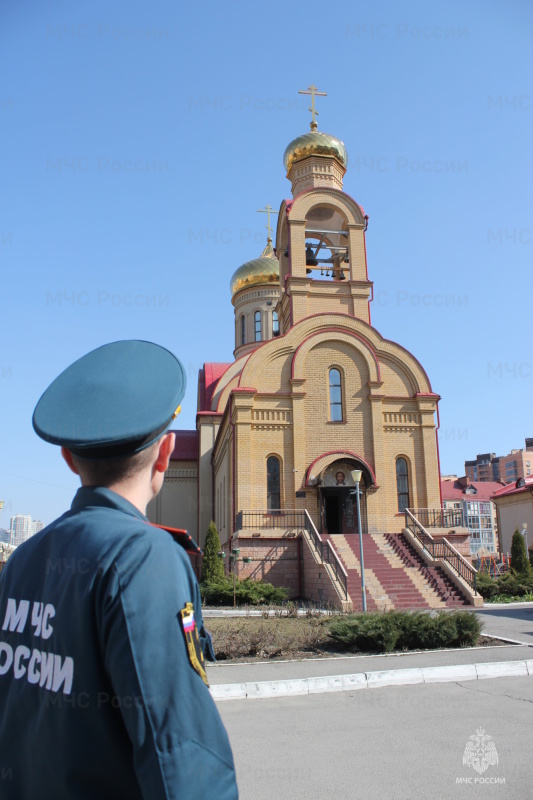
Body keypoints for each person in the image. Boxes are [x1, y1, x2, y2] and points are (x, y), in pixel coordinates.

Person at [0, 340, 238, 799]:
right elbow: (180, 755)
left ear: (68, 458)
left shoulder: (23, 562)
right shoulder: (143, 558)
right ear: (166, 454)